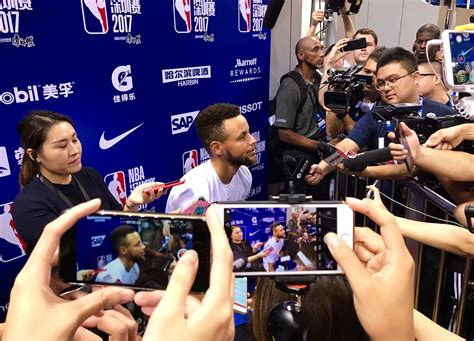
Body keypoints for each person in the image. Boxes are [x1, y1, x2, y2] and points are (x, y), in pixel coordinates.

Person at [2, 199, 235, 341]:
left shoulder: (137, 265)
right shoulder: (109, 276)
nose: (143, 247)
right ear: (123, 250)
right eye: (137, 244)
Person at [12, 110, 164, 252]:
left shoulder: (89, 175)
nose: (75, 151)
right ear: (34, 155)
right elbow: (62, 255)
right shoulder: (27, 205)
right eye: (62, 146)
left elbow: (119, 227)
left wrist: (131, 205)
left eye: (75, 139)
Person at [306, 47, 455, 185]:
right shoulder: (376, 114)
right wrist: (324, 166)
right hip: (381, 202)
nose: (387, 88)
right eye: (382, 83)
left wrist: (367, 171)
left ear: (415, 77)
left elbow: (411, 169)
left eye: (393, 80)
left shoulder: (443, 115)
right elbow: (347, 147)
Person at [166, 103, 256, 212]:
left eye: (248, 133)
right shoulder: (195, 190)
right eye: (242, 137)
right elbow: (190, 229)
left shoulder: (244, 175)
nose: (253, 140)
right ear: (217, 148)